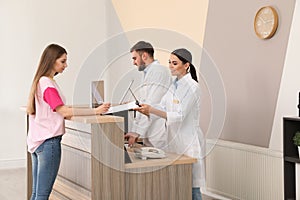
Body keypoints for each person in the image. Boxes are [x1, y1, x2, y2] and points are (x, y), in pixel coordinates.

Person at [26, 44, 110, 200]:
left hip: (38, 143)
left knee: (36, 194)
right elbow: (63, 111)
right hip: (48, 143)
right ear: (52, 61)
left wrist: (88, 109)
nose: (66, 65)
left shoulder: (41, 81)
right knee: (42, 195)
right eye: (63, 61)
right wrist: (96, 111)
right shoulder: (47, 84)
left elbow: (61, 107)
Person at [134, 48, 205, 200]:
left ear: (186, 65)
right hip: (174, 142)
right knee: (178, 187)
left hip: (188, 143)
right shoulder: (174, 85)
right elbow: (163, 107)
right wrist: (147, 109)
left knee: (192, 189)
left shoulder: (193, 87)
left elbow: (179, 116)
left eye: (175, 63)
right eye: (169, 63)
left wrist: (152, 110)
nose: (171, 66)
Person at [124, 41, 172, 149]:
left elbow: (151, 106)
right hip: (150, 133)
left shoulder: (158, 72)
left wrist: (137, 131)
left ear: (144, 56)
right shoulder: (149, 73)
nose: (134, 62)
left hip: (158, 133)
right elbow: (145, 103)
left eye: (134, 58)